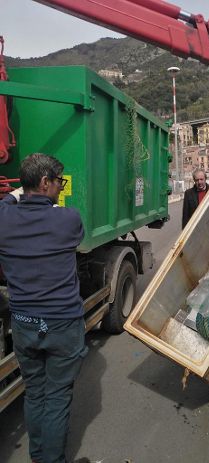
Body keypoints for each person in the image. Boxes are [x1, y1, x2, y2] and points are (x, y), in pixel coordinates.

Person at [0, 153, 88, 463]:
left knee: (34, 393)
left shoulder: (4, 219)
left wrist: (13, 195)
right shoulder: (68, 219)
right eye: (58, 182)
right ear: (44, 182)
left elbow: (6, 205)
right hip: (62, 323)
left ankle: (38, 456)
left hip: (24, 324)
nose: (61, 188)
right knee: (57, 398)